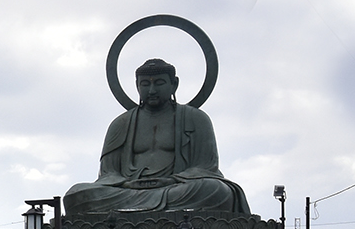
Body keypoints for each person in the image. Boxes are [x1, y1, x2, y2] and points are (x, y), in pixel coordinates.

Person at [64, 57, 250, 216]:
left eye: (159, 83)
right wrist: (128, 184)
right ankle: (154, 215)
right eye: (145, 84)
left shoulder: (196, 118)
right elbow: (108, 173)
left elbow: (206, 168)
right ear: (137, 86)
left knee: (215, 190)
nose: (151, 90)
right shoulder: (121, 123)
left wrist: (173, 180)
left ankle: (133, 217)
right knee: (76, 194)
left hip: (176, 189)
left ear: (174, 84)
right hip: (128, 191)